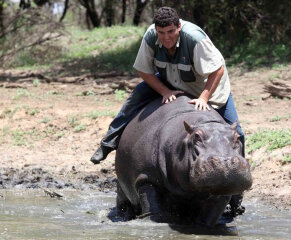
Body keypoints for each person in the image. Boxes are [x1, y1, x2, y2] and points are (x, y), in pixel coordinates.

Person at [90, 6, 245, 164]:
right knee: (137, 94)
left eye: (171, 31)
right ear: (156, 29)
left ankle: (240, 172)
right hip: (171, 80)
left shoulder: (194, 38)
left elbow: (218, 70)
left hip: (207, 88)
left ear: (179, 26)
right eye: (161, 33)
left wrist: (204, 98)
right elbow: (143, 70)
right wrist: (164, 91)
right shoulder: (151, 36)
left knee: (236, 133)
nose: (166, 38)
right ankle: (108, 143)